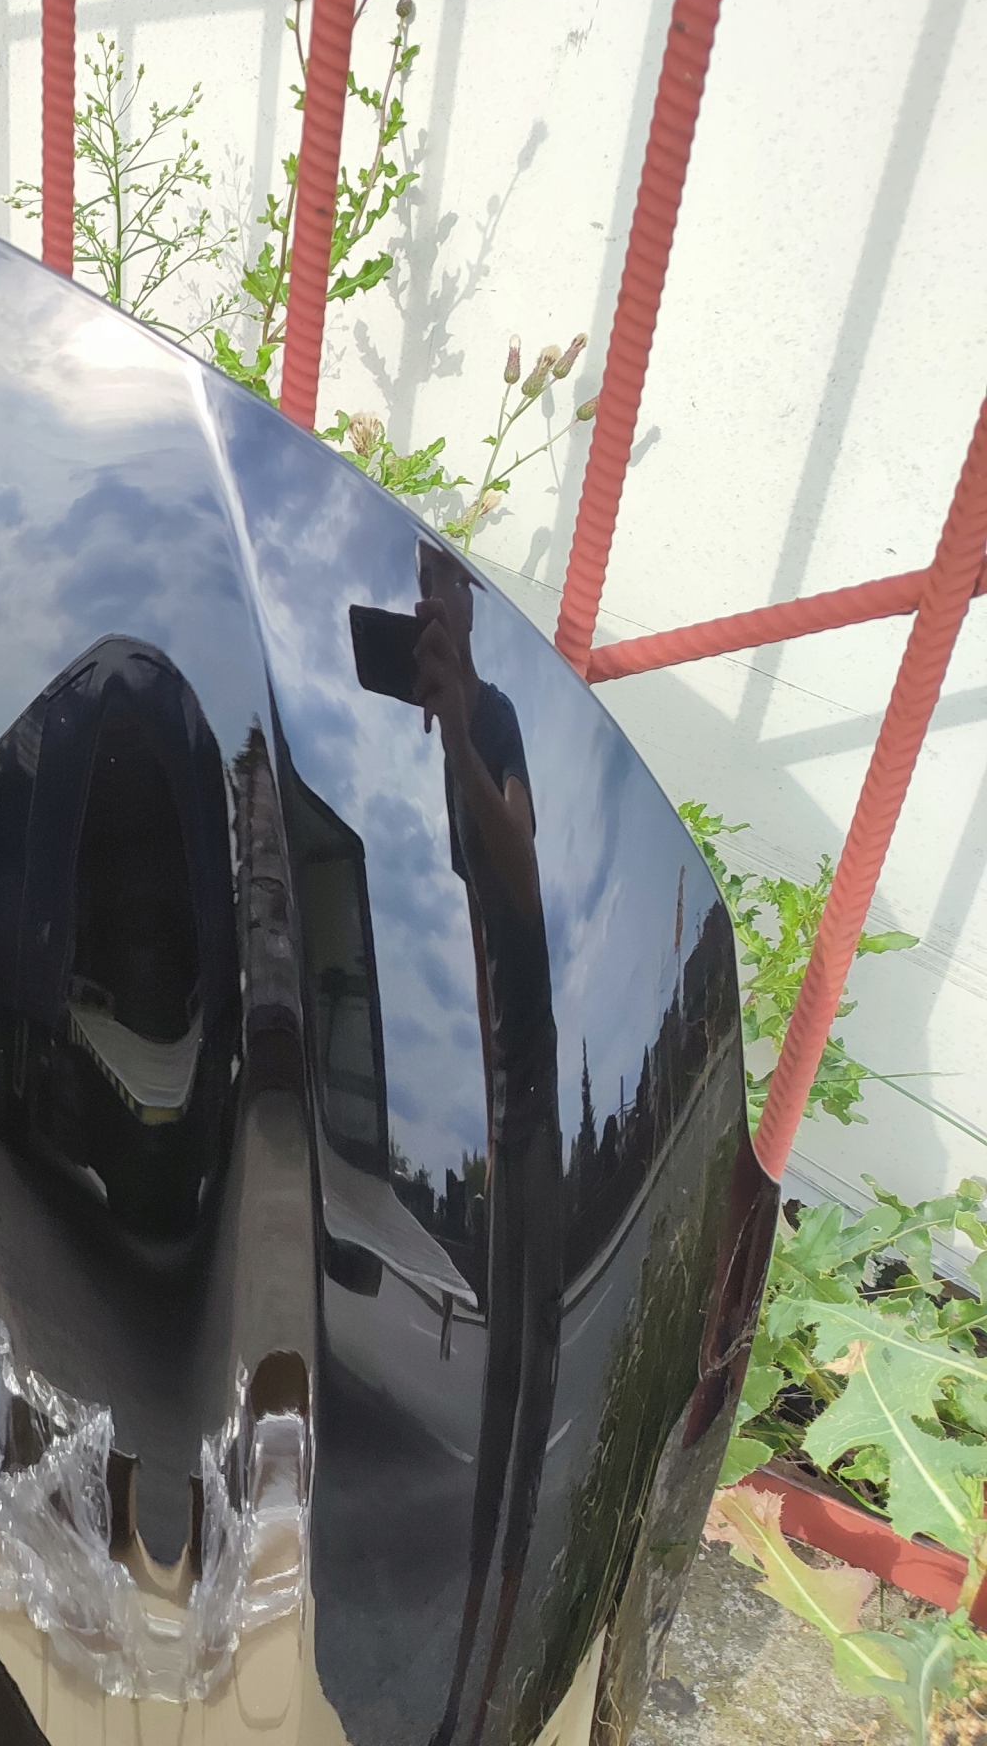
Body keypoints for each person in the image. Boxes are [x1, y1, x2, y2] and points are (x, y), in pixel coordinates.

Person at [411, 543, 561, 1746]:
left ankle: (506, 1631)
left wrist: (460, 736)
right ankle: (471, 1621)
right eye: (419, 585)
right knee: (497, 1354)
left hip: (540, 1073)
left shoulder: (493, 713)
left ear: (467, 603)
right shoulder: (424, 733)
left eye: (443, 584)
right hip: (494, 1071)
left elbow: (518, 876)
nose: (429, 600)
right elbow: (465, 919)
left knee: (528, 1352)